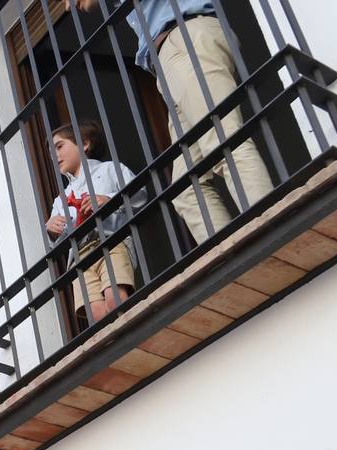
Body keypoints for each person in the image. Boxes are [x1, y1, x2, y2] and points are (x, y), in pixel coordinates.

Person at [69, 0, 273, 243]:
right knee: (186, 188)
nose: (68, 7)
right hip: (170, 57)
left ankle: (271, 227)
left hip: (184, 39)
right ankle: (232, 252)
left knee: (224, 143)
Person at [45, 120, 136, 324]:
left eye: (59, 146)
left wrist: (109, 199)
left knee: (115, 298)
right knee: (96, 314)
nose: (54, 156)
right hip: (79, 259)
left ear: (85, 144)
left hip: (111, 242)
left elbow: (139, 193)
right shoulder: (60, 199)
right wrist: (51, 229)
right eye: (51, 152)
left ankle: (131, 331)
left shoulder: (110, 169)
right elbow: (56, 241)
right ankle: (115, 341)